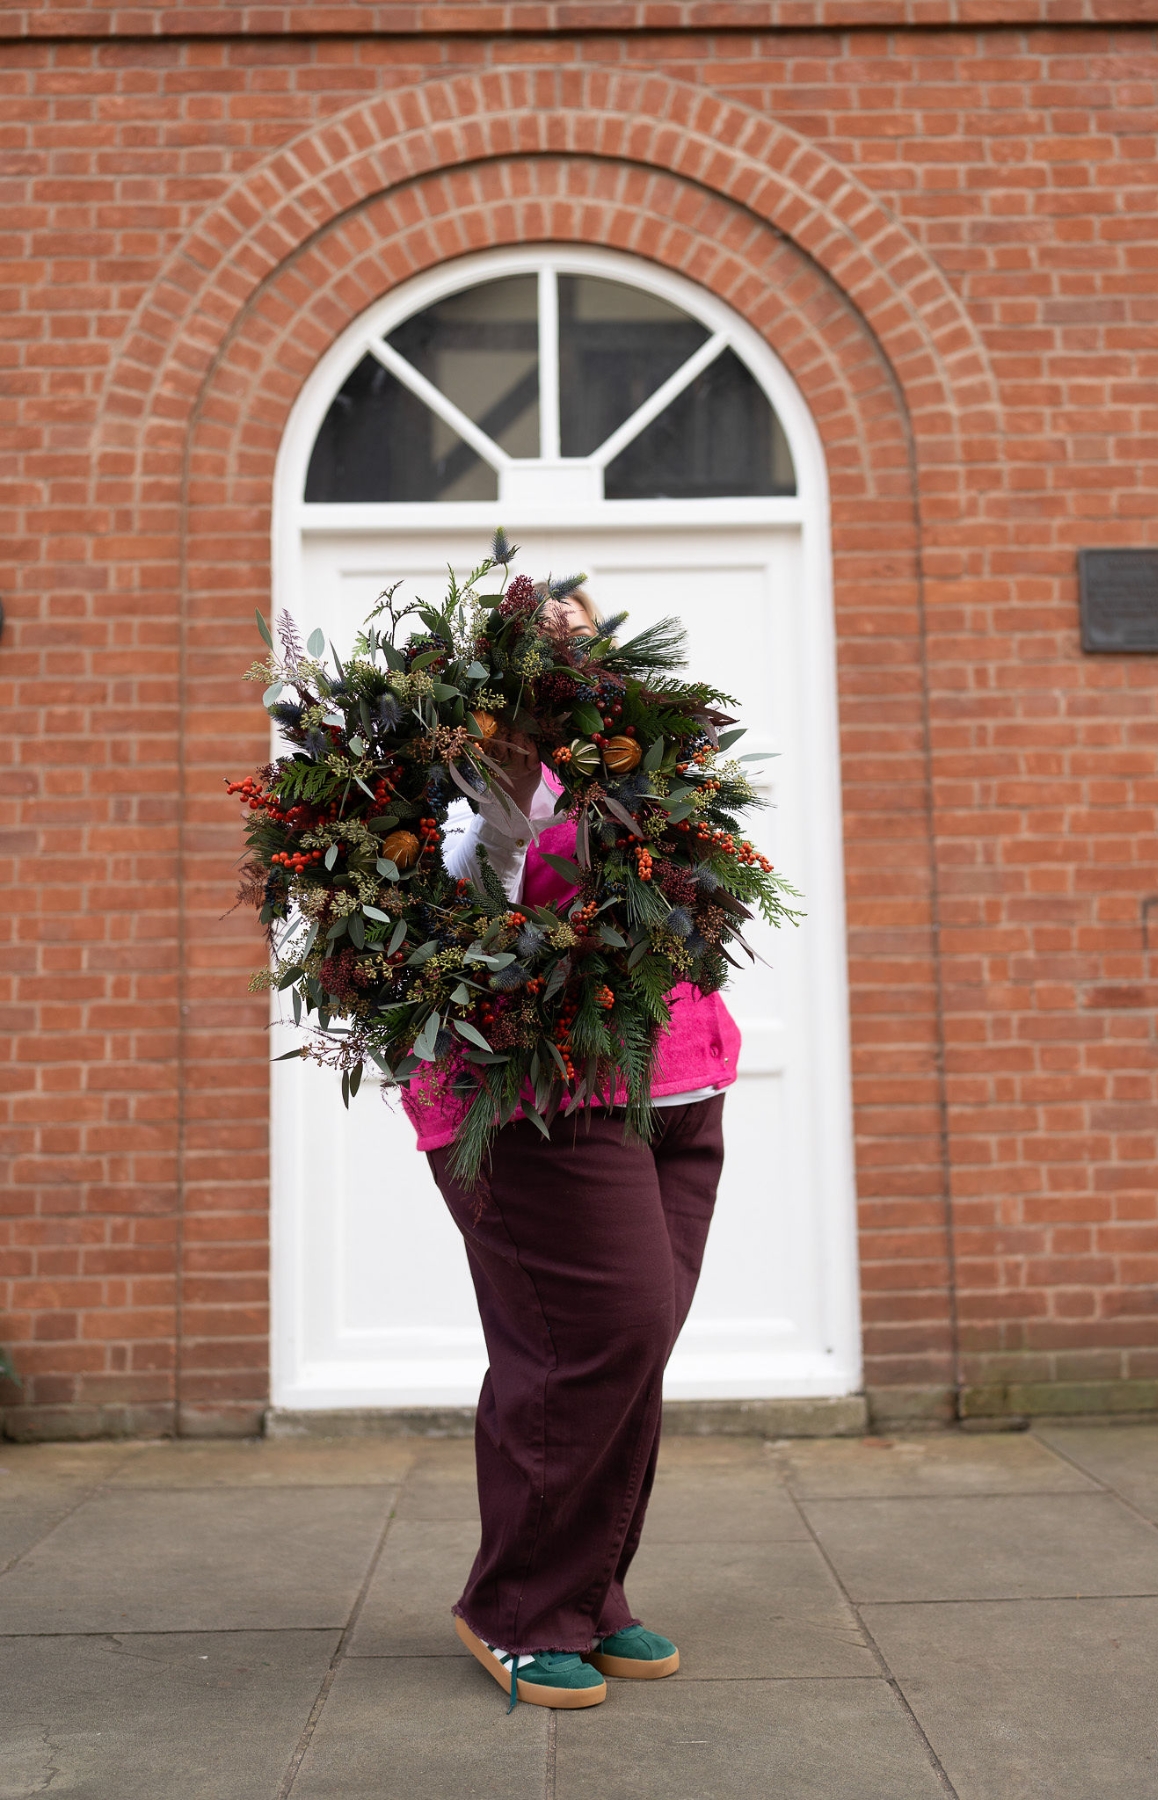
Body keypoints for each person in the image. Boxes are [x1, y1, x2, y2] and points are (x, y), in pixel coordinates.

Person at [403, 586, 741, 1711]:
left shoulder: (632, 757)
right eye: (546, 638)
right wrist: (506, 797)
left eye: (585, 633)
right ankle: (516, 1609)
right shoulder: (465, 766)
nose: (573, 650)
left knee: (630, 1347)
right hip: (539, 1095)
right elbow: (454, 919)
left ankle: (589, 1596)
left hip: (676, 1078)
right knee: (592, 1335)